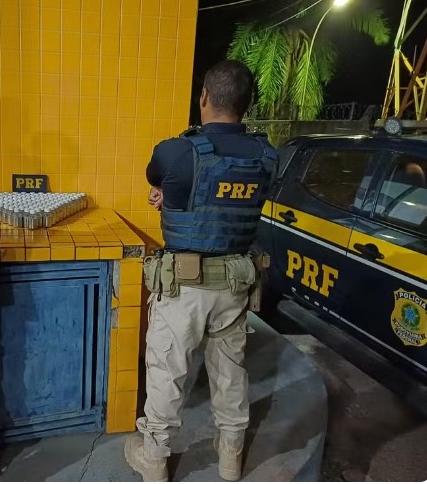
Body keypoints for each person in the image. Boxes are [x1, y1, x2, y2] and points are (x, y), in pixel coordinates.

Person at [124, 60, 278, 482]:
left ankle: (155, 460)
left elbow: (161, 177)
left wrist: (167, 192)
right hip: (235, 284)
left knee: (167, 371)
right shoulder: (268, 156)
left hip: (183, 287)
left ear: (204, 97)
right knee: (230, 370)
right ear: (247, 103)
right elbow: (233, 200)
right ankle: (230, 457)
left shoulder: (177, 151)